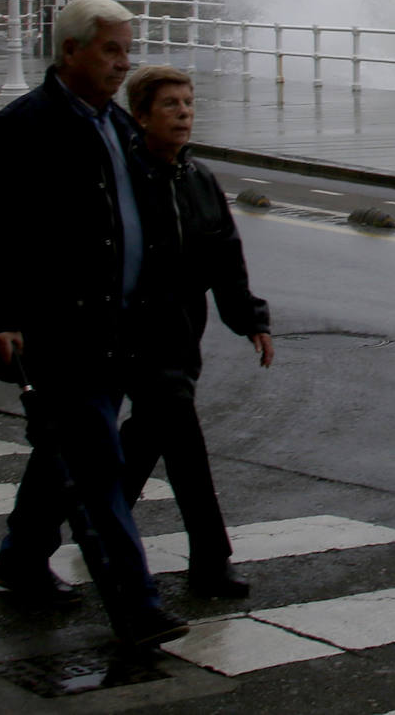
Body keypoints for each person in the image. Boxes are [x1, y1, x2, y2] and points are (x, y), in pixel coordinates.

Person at [0, 0, 188, 648]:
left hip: (115, 330)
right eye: (110, 49)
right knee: (96, 467)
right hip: (57, 333)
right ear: (70, 51)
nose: (124, 62)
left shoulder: (113, 126)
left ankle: (22, 559)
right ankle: (136, 606)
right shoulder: (22, 131)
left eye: (126, 47)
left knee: (63, 454)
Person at [121, 65, 273, 599]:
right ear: (141, 116)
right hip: (133, 332)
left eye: (188, 103)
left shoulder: (199, 179)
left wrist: (250, 319)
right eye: (170, 105)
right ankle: (210, 560)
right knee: (183, 443)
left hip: (182, 333)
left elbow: (224, 258)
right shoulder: (123, 179)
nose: (184, 113)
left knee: (143, 438)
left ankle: (76, 528)